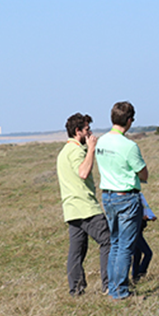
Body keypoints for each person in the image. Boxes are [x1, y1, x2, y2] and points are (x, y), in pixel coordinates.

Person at [94, 101, 149, 301]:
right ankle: (120, 291)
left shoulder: (101, 141)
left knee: (115, 243)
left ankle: (112, 286)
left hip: (107, 196)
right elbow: (142, 173)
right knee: (126, 246)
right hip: (126, 196)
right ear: (129, 120)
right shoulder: (129, 146)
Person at [56, 112, 111, 296]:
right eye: (87, 129)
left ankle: (76, 290)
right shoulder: (75, 151)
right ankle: (109, 285)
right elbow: (83, 172)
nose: (90, 133)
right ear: (78, 131)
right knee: (108, 241)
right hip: (86, 207)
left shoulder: (64, 152)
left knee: (76, 252)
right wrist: (92, 149)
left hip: (71, 209)